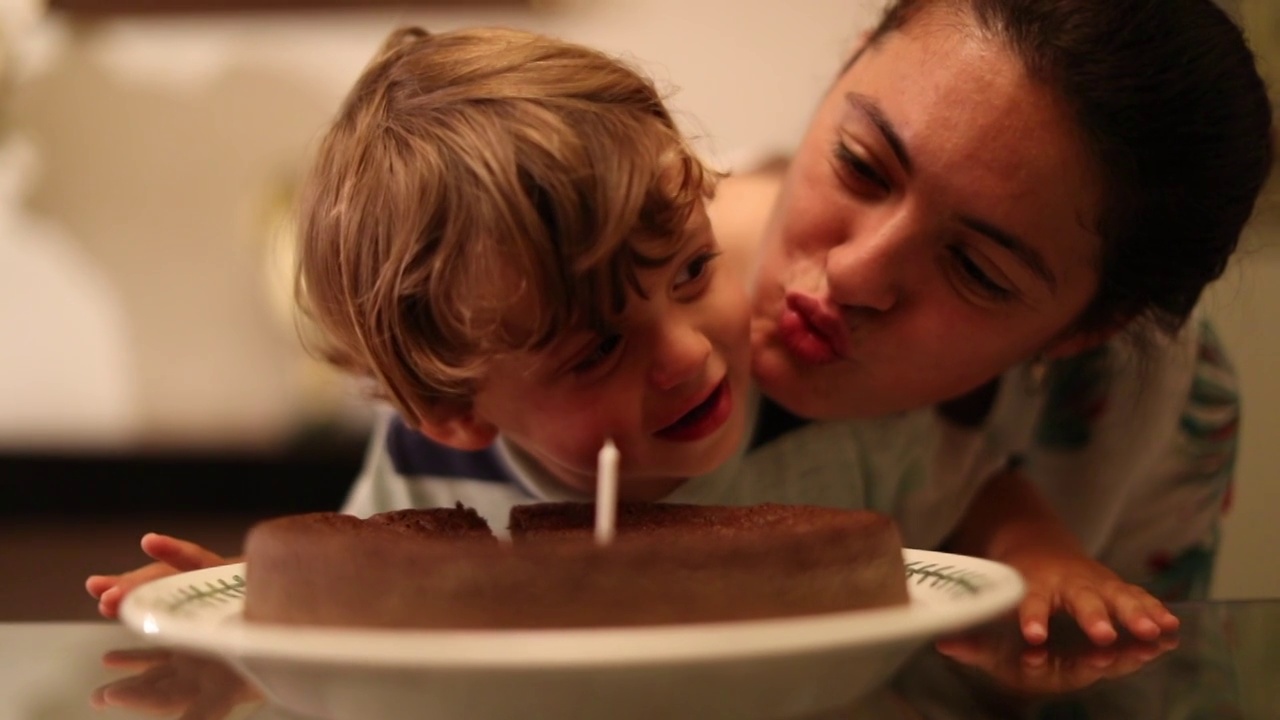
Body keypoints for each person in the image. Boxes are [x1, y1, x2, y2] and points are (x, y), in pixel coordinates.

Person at [86, 25, 758, 615]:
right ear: (454, 410)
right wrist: (265, 623)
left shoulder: (809, 398)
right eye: (599, 349)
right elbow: (362, 620)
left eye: (693, 271)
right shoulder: (420, 473)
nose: (689, 354)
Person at [713, 0, 1272, 647]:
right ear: (849, 61)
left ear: (1089, 331)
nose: (852, 275)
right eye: (862, 166)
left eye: (977, 270)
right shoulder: (589, 271)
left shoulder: (1158, 409)